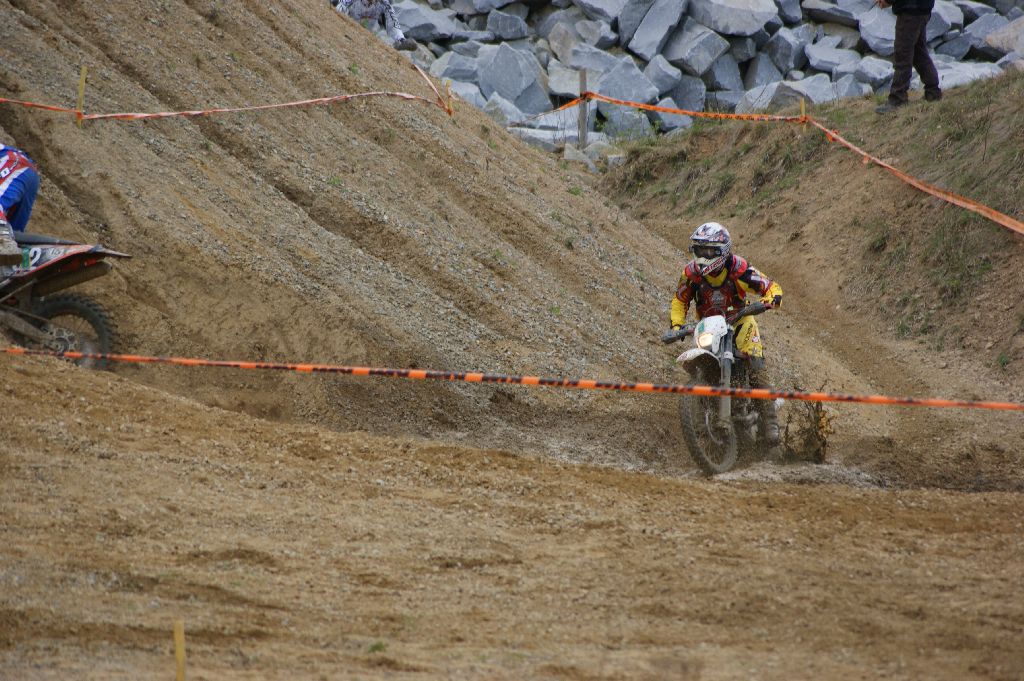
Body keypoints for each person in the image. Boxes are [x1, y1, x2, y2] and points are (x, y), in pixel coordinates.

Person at [669, 221, 784, 444]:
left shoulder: (738, 268)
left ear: (721, 251)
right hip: (709, 326)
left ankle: (770, 421)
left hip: (739, 320)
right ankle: (704, 416)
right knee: (701, 365)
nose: (703, 256)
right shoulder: (691, 274)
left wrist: (770, 299)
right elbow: (680, 300)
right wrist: (676, 326)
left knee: (755, 365)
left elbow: (770, 286)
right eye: (700, 250)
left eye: (708, 251)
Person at [874, 0, 942, 114]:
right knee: (918, 52)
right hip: (922, 8)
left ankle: (897, 99)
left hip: (910, 10)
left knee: (903, 54)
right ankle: (933, 91)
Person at [0, 144, 39, 267]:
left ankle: (4, 242)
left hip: (13, 163)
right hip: (24, 170)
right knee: (15, 231)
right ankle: (22, 264)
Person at [330, 0, 418, 51]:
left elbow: (392, 22)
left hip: (367, 36)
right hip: (346, 26)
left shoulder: (384, 3)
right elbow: (341, 7)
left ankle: (397, 44)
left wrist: (402, 40)